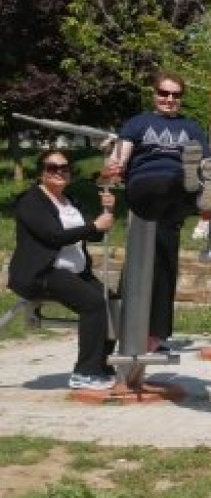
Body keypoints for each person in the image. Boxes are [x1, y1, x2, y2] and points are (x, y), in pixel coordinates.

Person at [104, 71, 211, 352]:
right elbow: (122, 153)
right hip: (145, 188)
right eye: (164, 93)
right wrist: (116, 165)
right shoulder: (139, 122)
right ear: (154, 94)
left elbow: (208, 163)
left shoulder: (191, 127)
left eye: (176, 95)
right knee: (177, 180)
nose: (169, 99)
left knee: (165, 265)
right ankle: (195, 192)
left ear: (182, 99)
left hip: (172, 204)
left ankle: (155, 336)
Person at [8, 150, 117, 390]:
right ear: (41, 173)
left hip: (74, 272)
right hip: (43, 272)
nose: (59, 172)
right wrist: (93, 226)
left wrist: (107, 212)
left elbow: (96, 234)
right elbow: (53, 237)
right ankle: (84, 373)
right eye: (52, 168)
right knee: (93, 303)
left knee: (111, 301)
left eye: (64, 168)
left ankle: (102, 364)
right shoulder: (31, 201)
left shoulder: (70, 201)